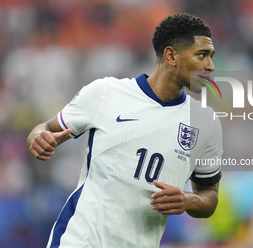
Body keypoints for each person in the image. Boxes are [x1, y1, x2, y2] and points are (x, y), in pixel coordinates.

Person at [27, 13, 223, 248]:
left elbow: (209, 193)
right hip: (79, 239)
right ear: (171, 55)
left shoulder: (205, 122)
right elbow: (45, 129)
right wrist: (38, 138)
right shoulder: (106, 93)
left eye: (211, 56)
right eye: (202, 55)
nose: (210, 66)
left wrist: (189, 200)